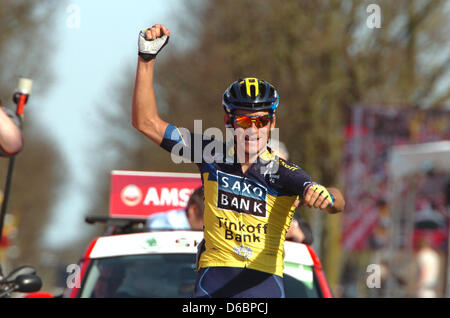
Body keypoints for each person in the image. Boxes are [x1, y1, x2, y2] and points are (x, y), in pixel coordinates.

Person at [132, 24, 345, 298]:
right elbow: (145, 122)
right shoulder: (210, 153)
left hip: (264, 288)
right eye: (244, 120)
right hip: (212, 286)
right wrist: (146, 60)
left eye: (262, 121)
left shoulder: (283, 172)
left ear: (272, 123)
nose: (253, 130)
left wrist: (325, 195)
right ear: (228, 121)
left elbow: (338, 201)